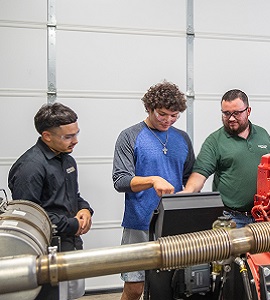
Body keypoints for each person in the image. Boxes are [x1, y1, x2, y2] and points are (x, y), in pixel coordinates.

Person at [112, 81, 195, 300]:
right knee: (135, 287)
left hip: (173, 226)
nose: (168, 120)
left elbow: (189, 178)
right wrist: (152, 180)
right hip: (139, 223)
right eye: (162, 114)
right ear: (149, 109)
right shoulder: (130, 136)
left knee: (172, 287)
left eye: (174, 115)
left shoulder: (183, 139)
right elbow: (120, 180)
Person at [8, 102, 93, 299]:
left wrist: (85, 210)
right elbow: (29, 220)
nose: (76, 141)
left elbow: (74, 197)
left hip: (71, 243)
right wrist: (72, 224)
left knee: (73, 294)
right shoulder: (30, 168)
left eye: (76, 133)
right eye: (68, 136)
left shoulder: (67, 159)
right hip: (45, 253)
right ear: (47, 136)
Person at [181, 89, 270, 228]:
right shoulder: (215, 141)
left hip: (263, 216)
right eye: (226, 113)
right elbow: (200, 173)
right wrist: (187, 192)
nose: (231, 118)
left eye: (236, 113)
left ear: (248, 111)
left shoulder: (262, 134)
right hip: (231, 219)